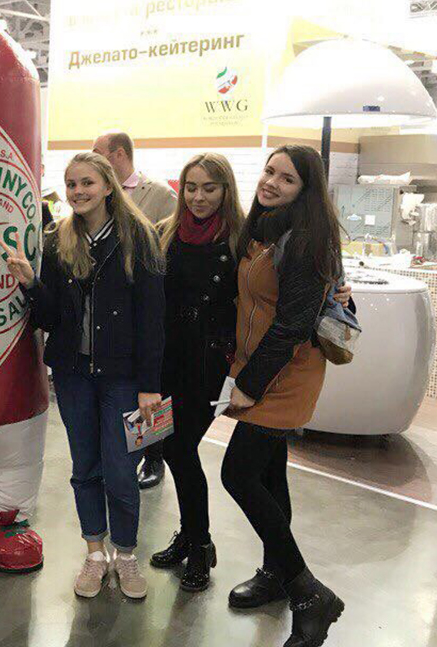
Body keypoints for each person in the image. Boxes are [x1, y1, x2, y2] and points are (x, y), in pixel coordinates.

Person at [1, 151, 165, 600]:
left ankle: (125, 554)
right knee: (85, 467)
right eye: (71, 184)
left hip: (124, 379)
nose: (78, 191)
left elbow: (152, 319)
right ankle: (95, 553)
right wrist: (31, 283)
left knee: (122, 471)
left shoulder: (139, 238)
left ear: (108, 185)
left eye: (87, 182)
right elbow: (52, 317)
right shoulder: (58, 240)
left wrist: (150, 386)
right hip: (73, 376)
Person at [220, 145, 346, 647]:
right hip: (261, 366)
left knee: (237, 474)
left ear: (305, 191)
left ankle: (309, 593)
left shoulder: (306, 239)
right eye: (269, 171)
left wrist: (248, 386)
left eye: (287, 178)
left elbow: (293, 324)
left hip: (285, 374)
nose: (271, 182)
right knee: (271, 476)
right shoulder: (264, 228)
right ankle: (276, 574)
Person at [147, 154, 244, 592]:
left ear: (225, 190)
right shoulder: (165, 233)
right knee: (170, 449)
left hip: (210, 366)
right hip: (166, 361)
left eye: (209, 188)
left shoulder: (241, 239)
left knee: (181, 448)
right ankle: (190, 536)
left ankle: (200, 543)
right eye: (191, 187)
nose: (198, 197)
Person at [92, 130, 175, 490]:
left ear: (119, 155)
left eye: (98, 152)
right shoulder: (100, 192)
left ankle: (155, 458)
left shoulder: (158, 195)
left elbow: (169, 243)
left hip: (147, 299)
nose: (93, 157)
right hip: (109, 308)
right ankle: (124, 457)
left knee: (152, 384)